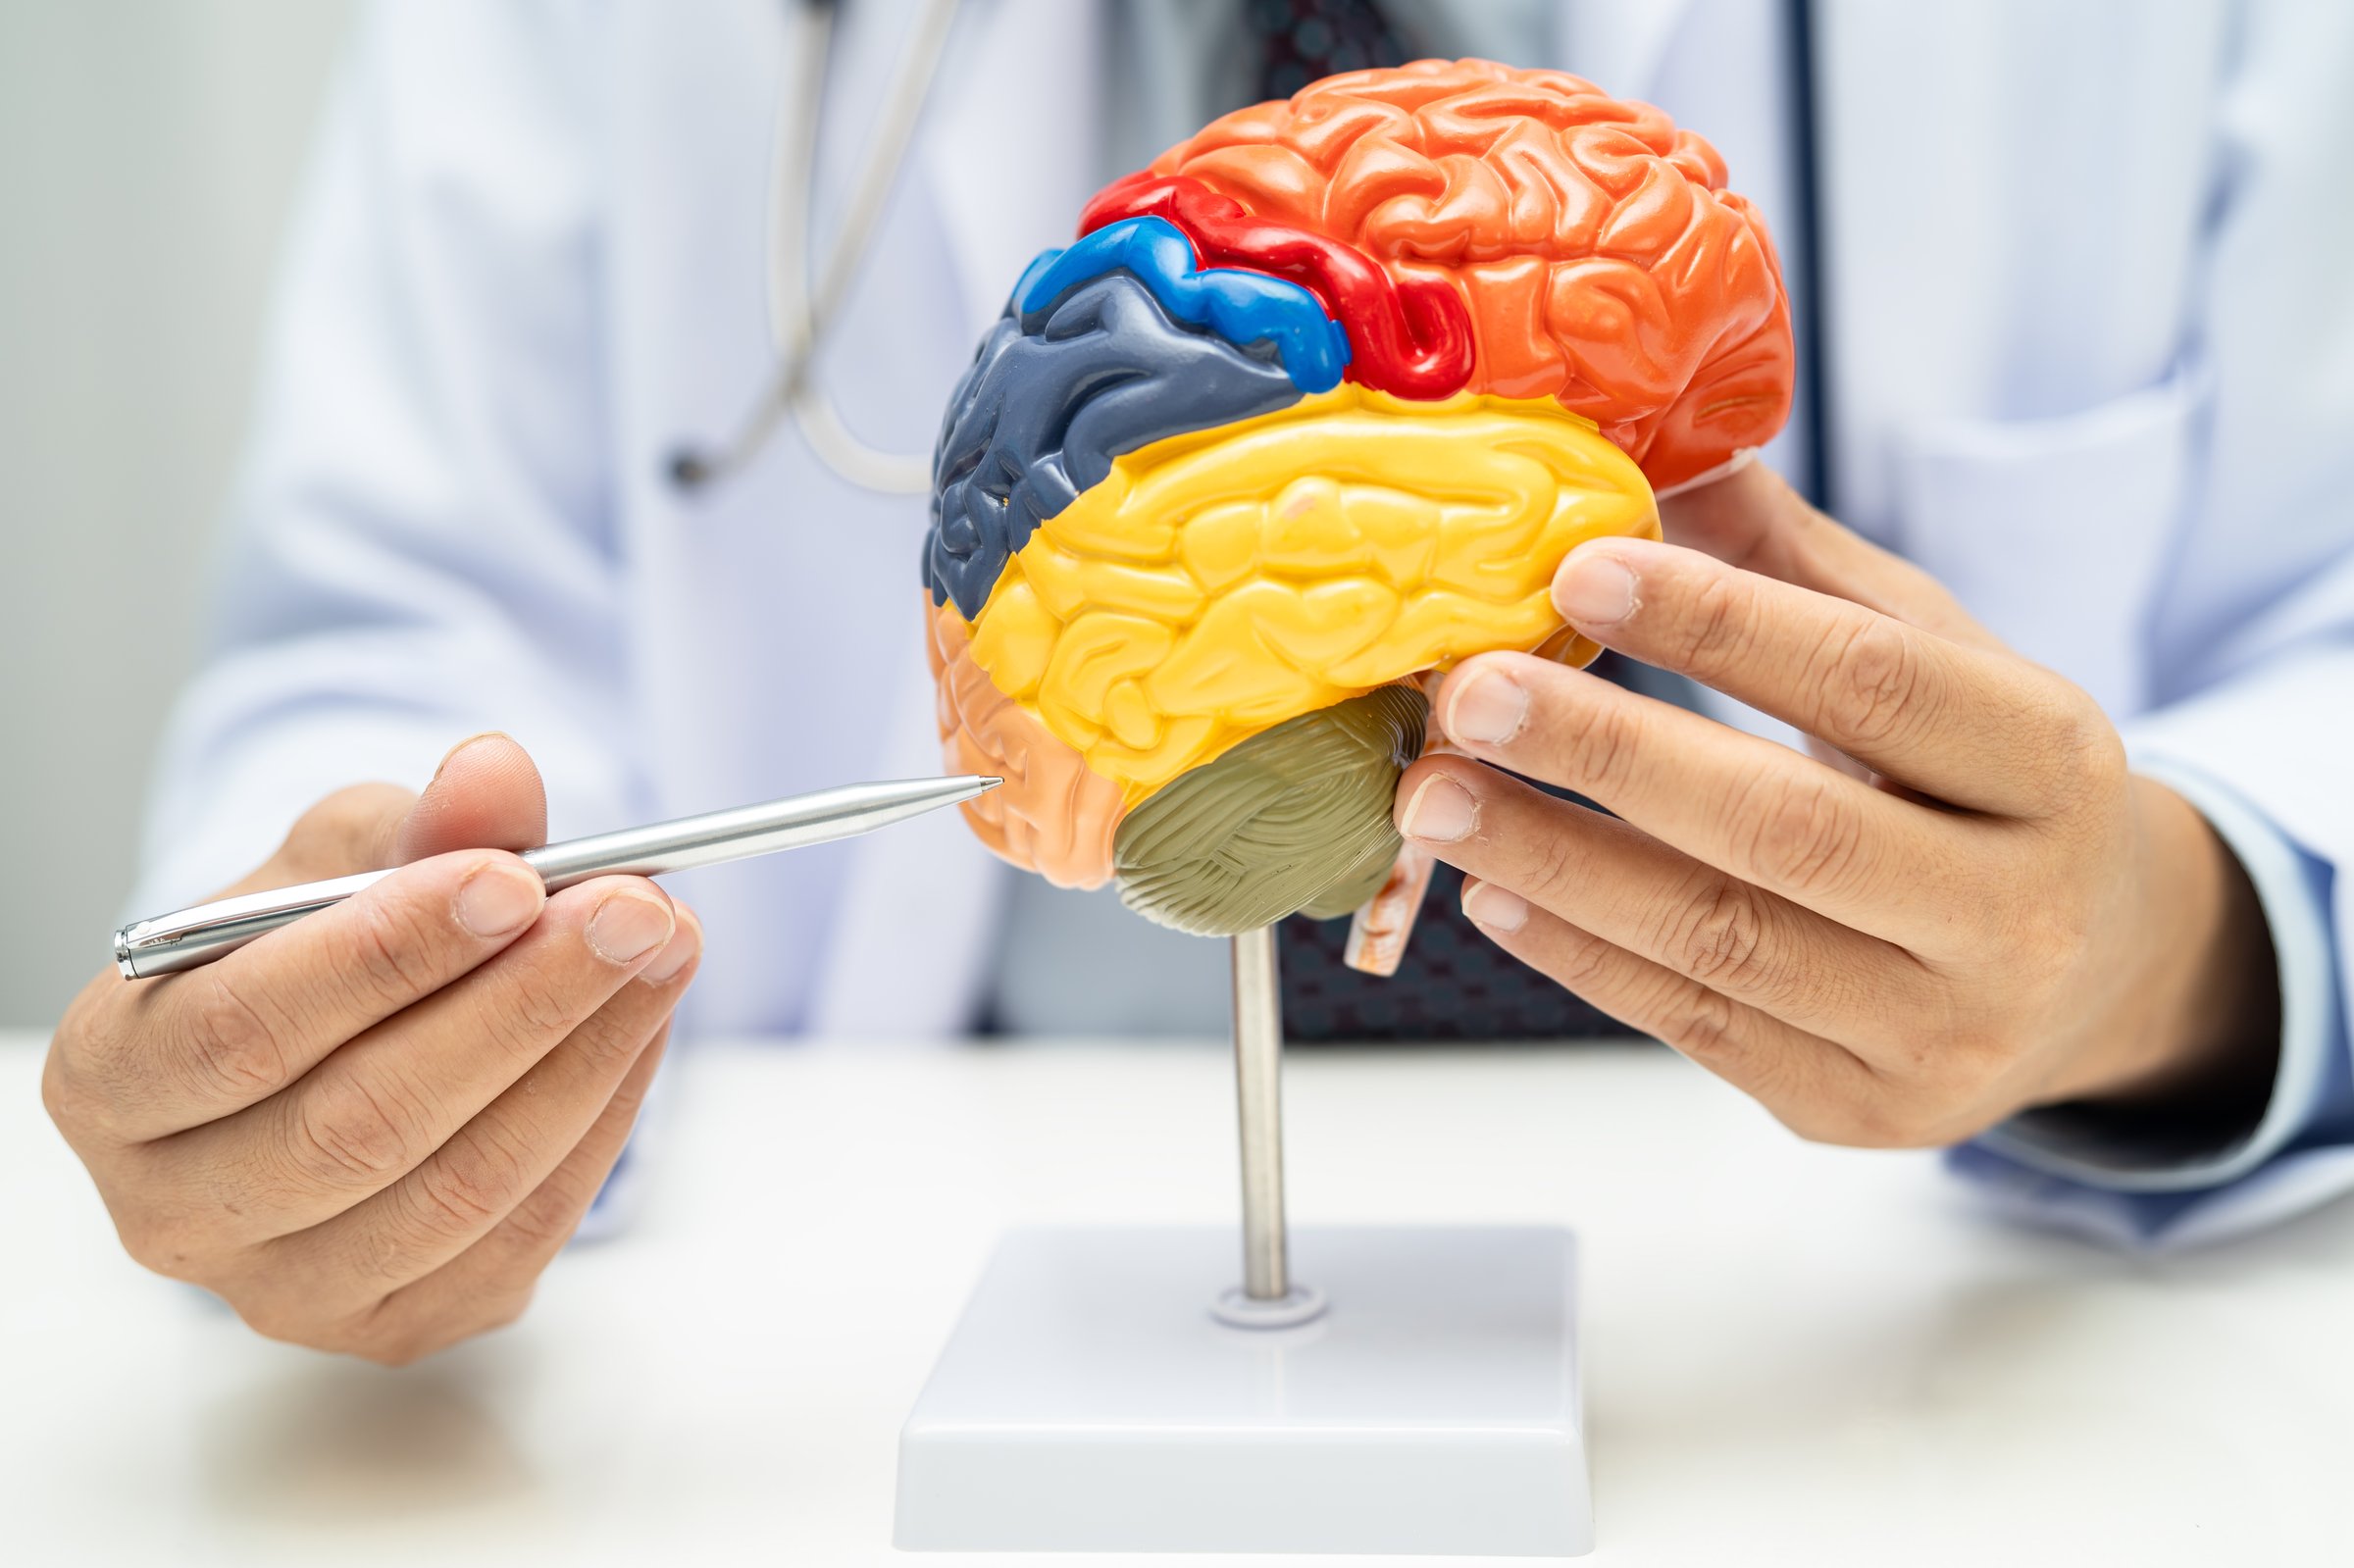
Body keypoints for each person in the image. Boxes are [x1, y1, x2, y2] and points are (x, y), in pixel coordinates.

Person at [41, 0, 2354, 1364]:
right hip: (851, 1299)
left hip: (1909, 1333)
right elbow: (402, 629)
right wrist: (358, 1053)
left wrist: (2164, 950)